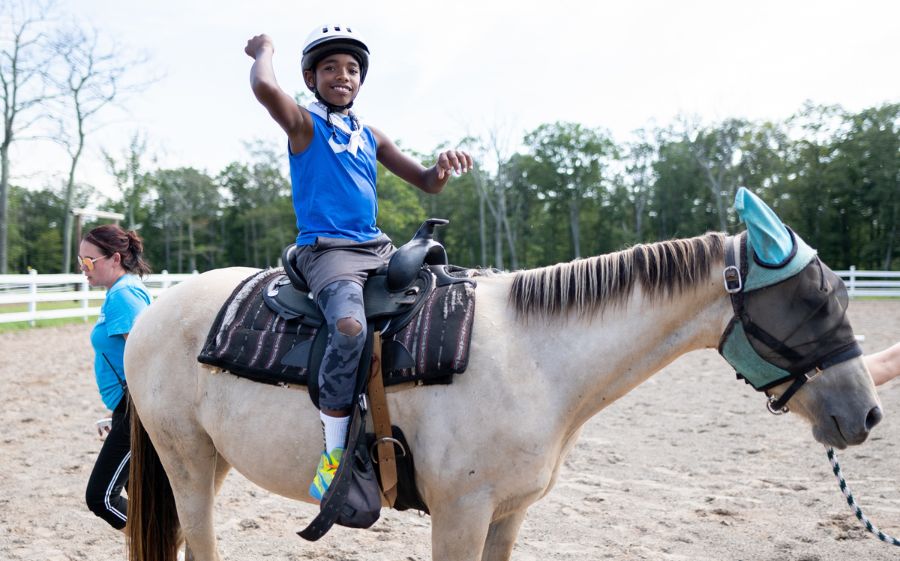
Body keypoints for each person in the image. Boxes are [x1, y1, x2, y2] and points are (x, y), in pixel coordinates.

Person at [244, 24, 473, 501]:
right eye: (329, 68)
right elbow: (266, 87)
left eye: (351, 69)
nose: (342, 75)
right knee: (348, 327)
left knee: (448, 293)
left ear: (361, 80)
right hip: (326, 250)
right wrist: (264, 51)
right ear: (311, 78)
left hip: (377, 247)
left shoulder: (369, 134)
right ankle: (333, 453)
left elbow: (427, 182)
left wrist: (443, 166)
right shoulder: (305, 124)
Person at [80, 224, 152, 531]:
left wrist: (129, 413)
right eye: (80, 261)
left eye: (88, 261)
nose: (83, 268)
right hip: (129, 406)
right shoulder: (120, 292)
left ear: (115, 259)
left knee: (101, 498)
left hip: (137, 409)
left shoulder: (123, 295)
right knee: (142, 494)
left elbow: (147, 357)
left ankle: (160, 541)